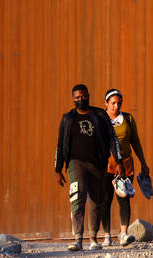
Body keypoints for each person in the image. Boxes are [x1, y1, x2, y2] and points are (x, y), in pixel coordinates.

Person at [55, 84, 125, 252]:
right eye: (77, 97)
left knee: (96, 200)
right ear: (73, 99)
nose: (81, 100)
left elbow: (112, 139)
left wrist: (118, 160)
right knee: (77, 196)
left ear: (88, 95)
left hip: (97, 163)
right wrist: (58, 169)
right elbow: (60, 145)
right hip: (75, 162)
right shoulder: (67, 118)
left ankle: (93, 238)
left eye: (83, 96)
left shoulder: (100, 115)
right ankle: (78, 239)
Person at [101, 89, 150, 247]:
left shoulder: (127, 119)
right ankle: (107, 235)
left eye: (119, 103)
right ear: (106, 104)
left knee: (124, 198)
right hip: (105, 165)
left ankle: (123, 234)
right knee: (105, 200)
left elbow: (135, 141)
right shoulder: (101, 120)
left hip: (125, 164)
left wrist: (143, 161)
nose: (116, 106)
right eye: (113, 103)